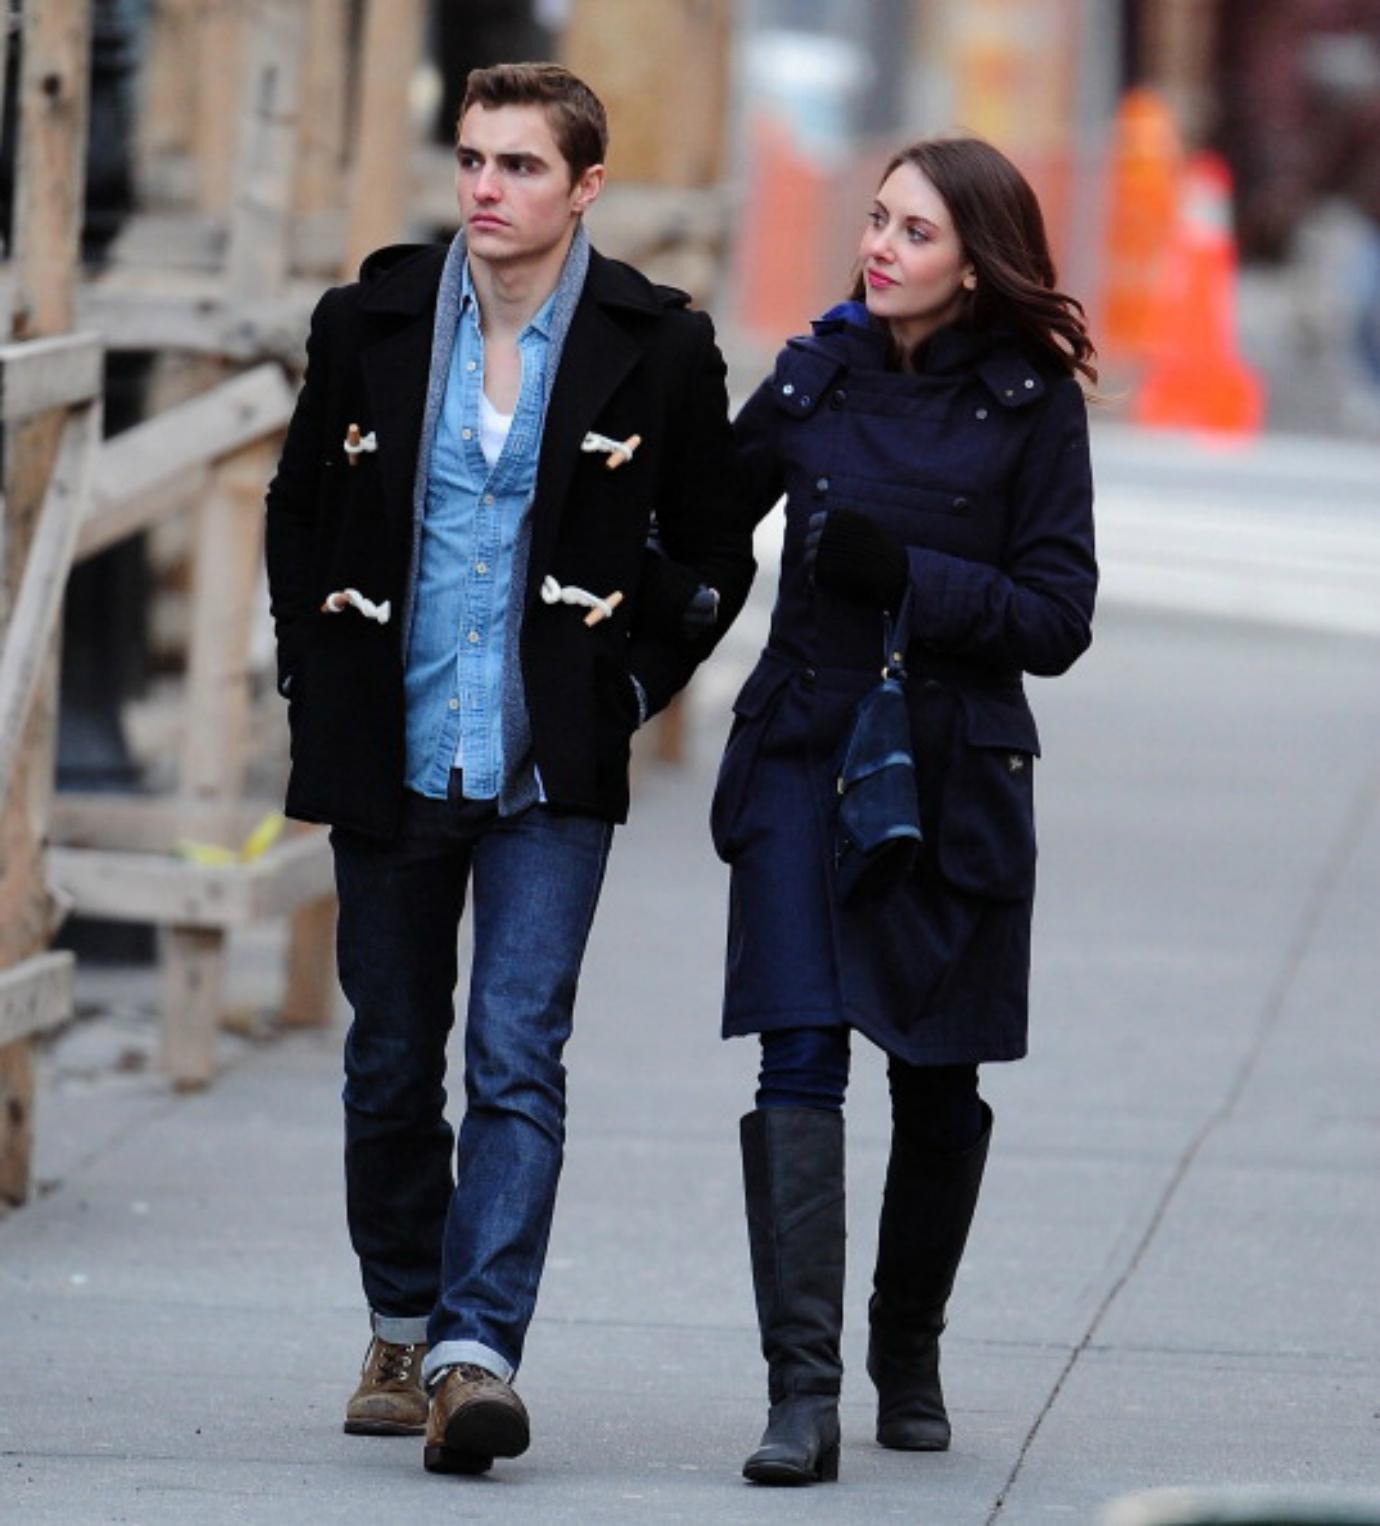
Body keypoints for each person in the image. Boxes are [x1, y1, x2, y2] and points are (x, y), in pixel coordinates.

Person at [264, 62, 751, 1477]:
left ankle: (477, 1353)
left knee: (518, 1056)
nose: (487, 187)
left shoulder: (656, 349)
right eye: (474, 159)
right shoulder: (368, 323)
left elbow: (719, 554)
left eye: (522, 165)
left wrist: (636, 689)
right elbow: (302, 509)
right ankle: (401, 1320)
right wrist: (312, 669)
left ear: (585, 186)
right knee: (390, 1056)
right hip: (393, 748)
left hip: (550, 766)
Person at [711, 136, 1098, 1485]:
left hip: (952, 770)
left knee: (937, 1078)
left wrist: (913, 577)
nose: (878, 247)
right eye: (874, 220)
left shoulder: (1033, 404)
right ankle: (800, 1393)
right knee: (798, 1054)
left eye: (914, 232)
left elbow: (1059, 618)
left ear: (978, 260)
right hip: (803, 748)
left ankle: (907, 1336)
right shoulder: (816, 374)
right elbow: (700, 517)